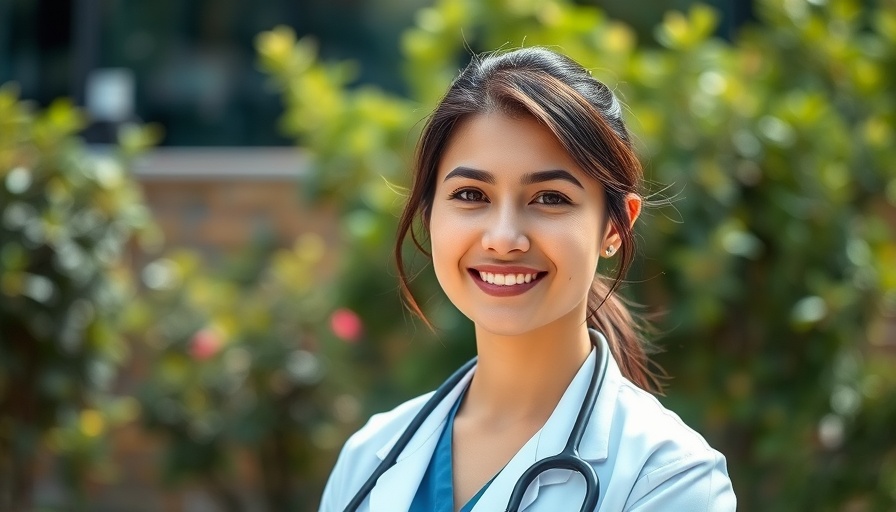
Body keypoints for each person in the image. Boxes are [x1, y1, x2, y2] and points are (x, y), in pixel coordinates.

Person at [319, 47, 736, 512]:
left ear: (615, 228)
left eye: (550, 198)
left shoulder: (669, 479)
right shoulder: (367, 460)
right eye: (471, 194)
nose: (503, 239)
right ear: (429, 212)